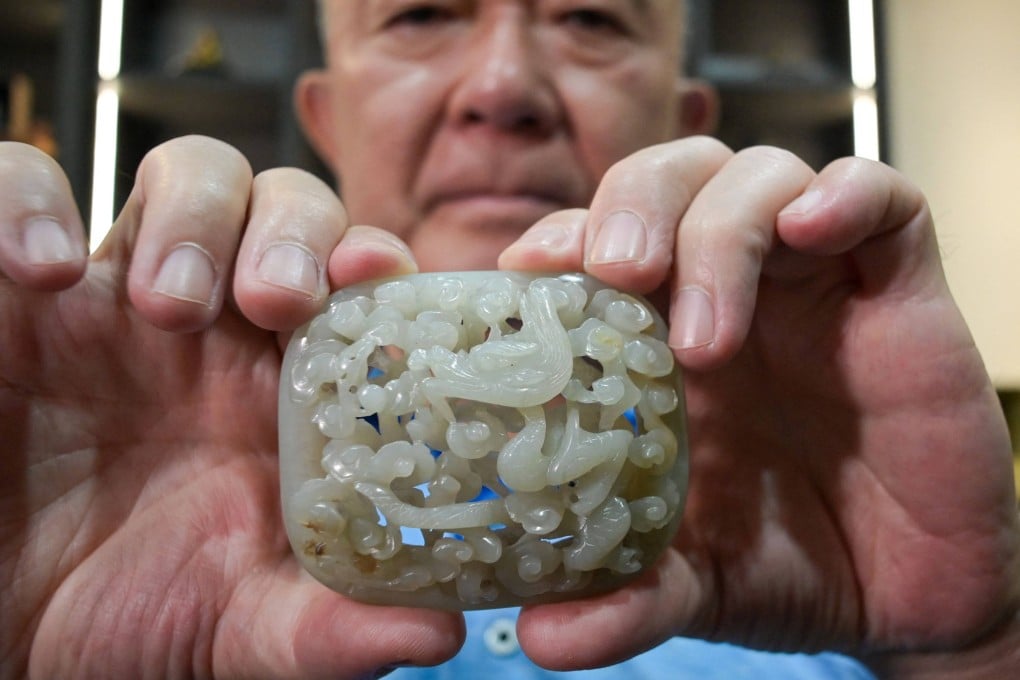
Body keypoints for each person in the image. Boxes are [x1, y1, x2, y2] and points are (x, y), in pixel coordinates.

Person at [1, 0, 1018, 677]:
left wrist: (972, 646)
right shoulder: (145, 501)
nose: (502, 86)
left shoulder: (819, 524)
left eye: (589, 17)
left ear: (684, 110)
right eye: (423, 12)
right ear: (323, 113)